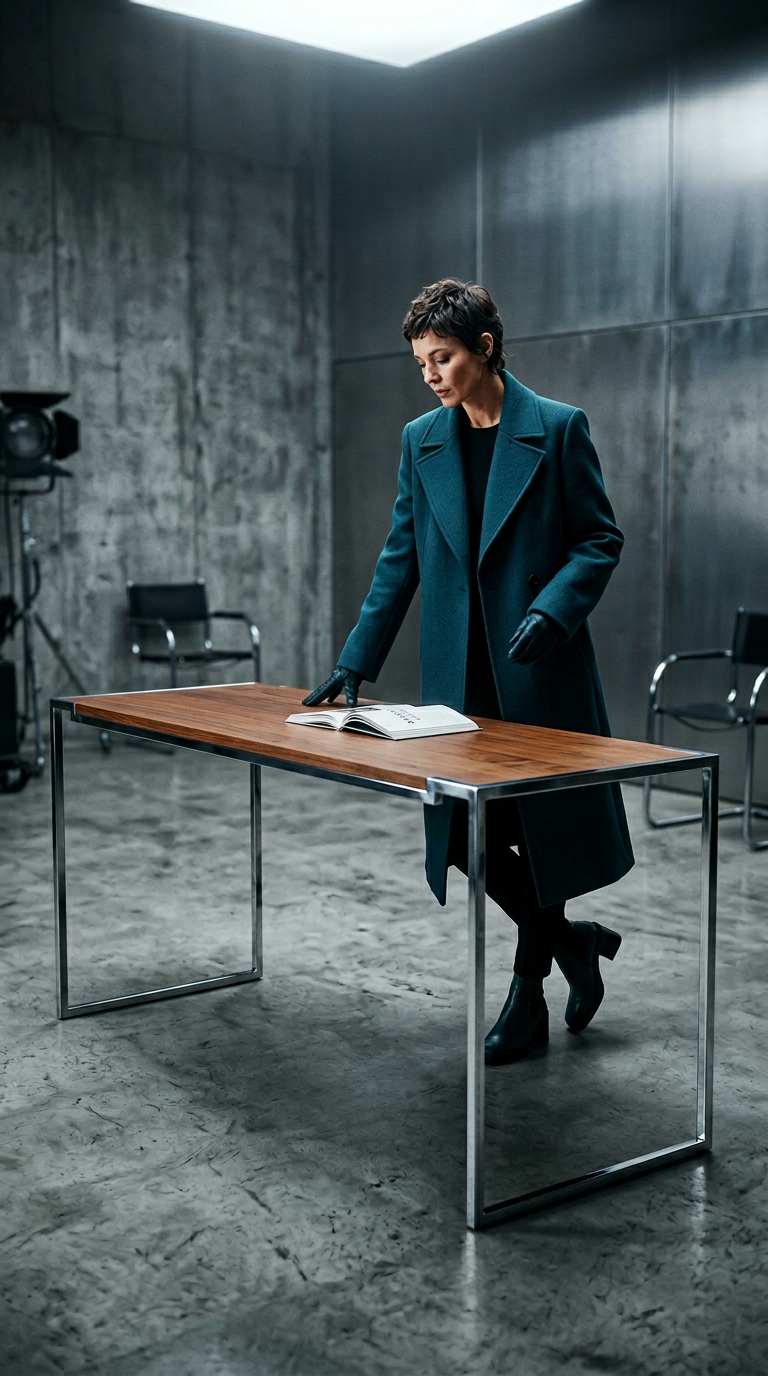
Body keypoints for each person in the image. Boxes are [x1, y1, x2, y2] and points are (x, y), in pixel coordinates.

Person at [304, 279, 633, 1065]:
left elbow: (599, 539)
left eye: (442, 357)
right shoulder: (423, 439)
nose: (430, 375)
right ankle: (572, 944)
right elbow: (401, 558)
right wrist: (356, 658)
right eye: (421, 362)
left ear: (485, 348)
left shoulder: (558, 428)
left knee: (538, 834)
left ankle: (527, 995)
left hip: (538, 669)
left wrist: (554, 610)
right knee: (459, 833)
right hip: (457, 680)